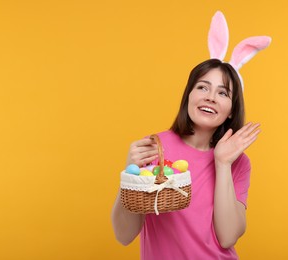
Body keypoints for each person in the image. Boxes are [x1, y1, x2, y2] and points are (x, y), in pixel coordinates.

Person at [111, 11, 271, 260]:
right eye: (202, 87)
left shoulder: (239, 162)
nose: (210, 96)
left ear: (231, 111)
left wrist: (223, 163)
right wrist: (129, 175)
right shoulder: (155, 149)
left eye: (223, 93)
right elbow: (123, 235)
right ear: (189, 96)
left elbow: (228, 236)